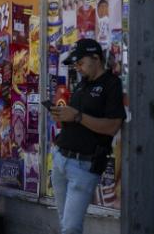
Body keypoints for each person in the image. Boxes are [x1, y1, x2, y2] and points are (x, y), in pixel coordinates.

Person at [49, 38, 125, 234]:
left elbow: (112, 126)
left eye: (81, 63)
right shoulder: (82, 84)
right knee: (65, 223)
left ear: (96, 58)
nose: (78, 68)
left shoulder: (111, 84)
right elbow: (76, 122)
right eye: (75, 64)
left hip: (83, 166)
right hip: (60, 159)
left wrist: (77, 116)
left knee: (70, 228)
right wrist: (62, 116)